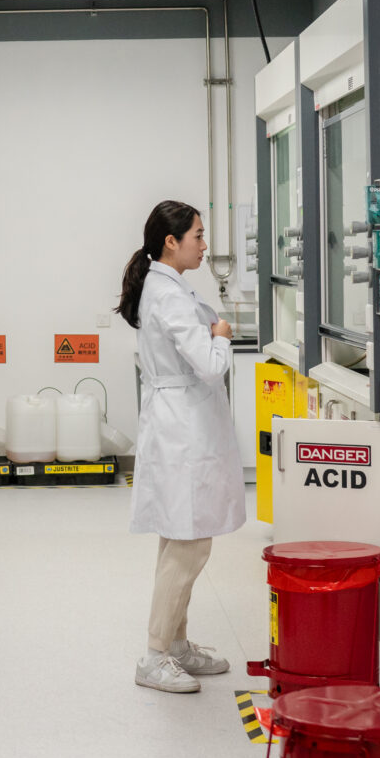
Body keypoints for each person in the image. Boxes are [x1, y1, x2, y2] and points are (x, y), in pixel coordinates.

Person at [117, 200, 245, 694]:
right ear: (171, 241)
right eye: (198, 235)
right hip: (181, 430)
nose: (204, 244)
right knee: (188, 543)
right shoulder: (167, 294)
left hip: (183, 423)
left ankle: (177, 645)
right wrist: (222, 336)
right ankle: (154, 655)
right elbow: (210, 365)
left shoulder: (168, 285)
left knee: (181, 536)